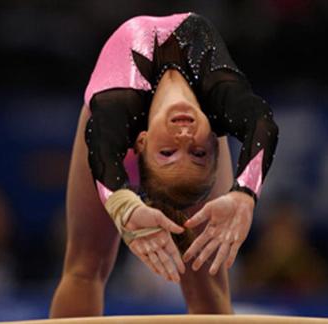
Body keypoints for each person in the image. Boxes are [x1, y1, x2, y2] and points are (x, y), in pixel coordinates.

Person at [50, 12, 278, 317]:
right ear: (214, 139)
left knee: (205, 286)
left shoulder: (117, 103)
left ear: (143, 142)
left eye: (168, 153)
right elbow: (262, 123)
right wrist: (244, 194)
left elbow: (103, 153)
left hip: (106, 127)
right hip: (166, 119)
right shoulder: (217, 99)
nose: (184, 138)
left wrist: (124, 207)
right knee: (83, 269)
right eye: (198, 153)